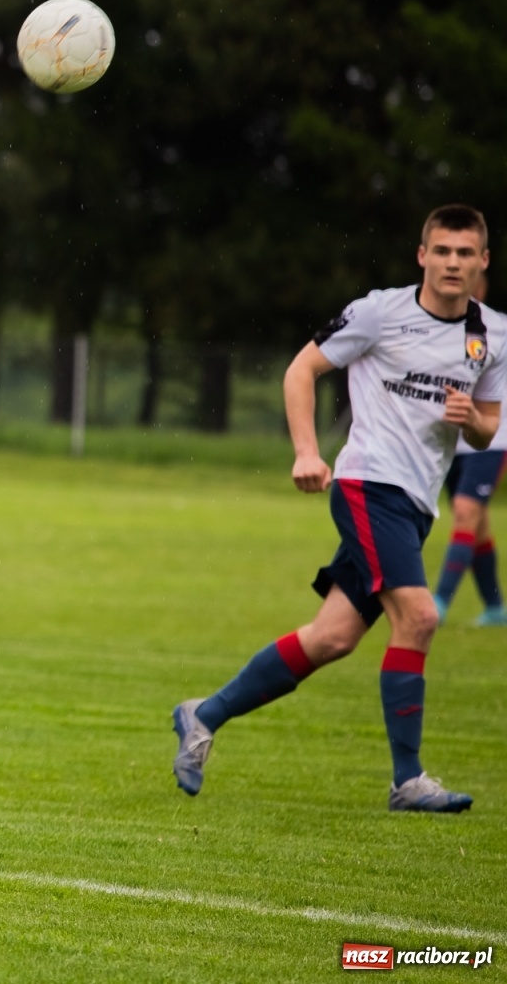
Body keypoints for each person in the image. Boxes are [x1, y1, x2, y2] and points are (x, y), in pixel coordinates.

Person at [172, 204, 506, 813]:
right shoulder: (381, 312)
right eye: (442, 250)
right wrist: (307, 451)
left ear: (483, 261)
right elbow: (302, 369)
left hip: (415, 503)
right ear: (422, 256)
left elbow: (489, 427)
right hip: (366, 484)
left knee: (331, 638)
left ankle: (203, 715)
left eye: (465, 253)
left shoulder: (494, 335)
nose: (453, 262)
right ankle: (408, 780)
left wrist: (472, 423)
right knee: (421, 617)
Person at [434, 274, 507, 627]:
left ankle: (438, 603)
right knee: (475, 525)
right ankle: (495, 608)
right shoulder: (432, 328)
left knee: (465, 511)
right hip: (453, 441)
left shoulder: (496, 330)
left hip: (492, 439)